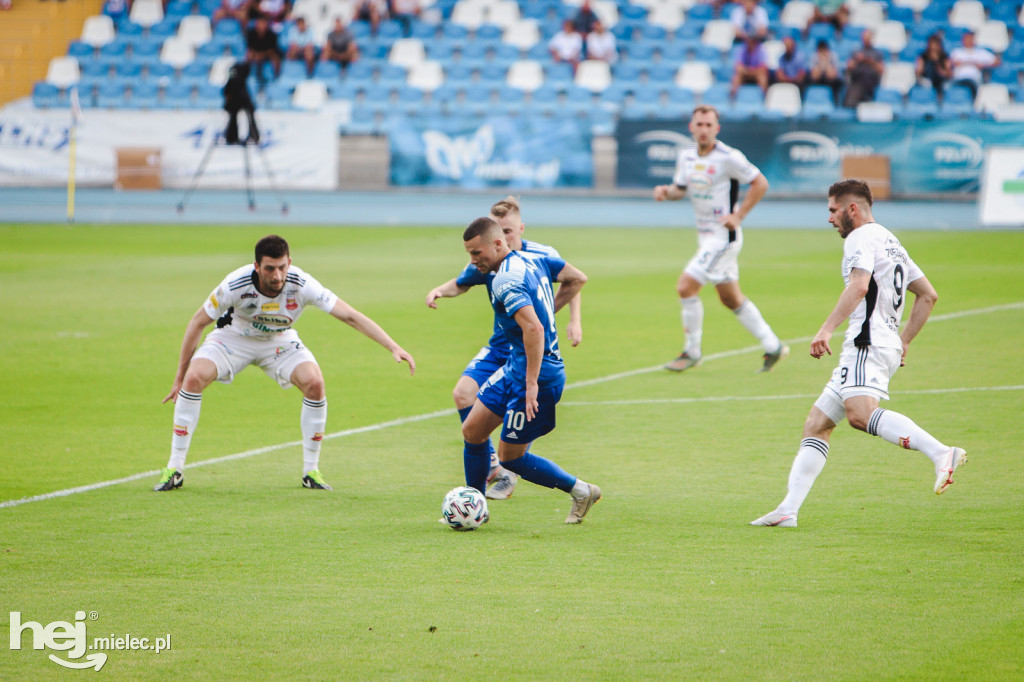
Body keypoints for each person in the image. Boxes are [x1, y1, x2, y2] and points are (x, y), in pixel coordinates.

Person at [751, 179, 966, 527]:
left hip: (865, 342)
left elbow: (860, 285)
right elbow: (928, 295)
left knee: (860, 415)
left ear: (852, 209)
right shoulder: (890, 241)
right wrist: (905, 340)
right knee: (817, 424)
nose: (830, 218)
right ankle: (788, 509)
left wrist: (825, 328)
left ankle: (942, 452)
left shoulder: (860, 237)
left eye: (833, 210)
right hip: (882, 342)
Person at [153, 235, 415, 492]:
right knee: (194, 378)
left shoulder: (302, 284)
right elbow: (197, 322)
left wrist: (393, 346)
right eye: (269, 269)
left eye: (282, 267)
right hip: (233, 337)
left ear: (289, 262)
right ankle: (174, 469)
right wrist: (179, 377)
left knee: (315, 382)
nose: (277, 276)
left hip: (279, 341)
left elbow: (350, 316)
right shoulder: (235, 284)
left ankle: (311, 471)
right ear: (257, 266)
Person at [425, 197, 582, 501]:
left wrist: (565, 318)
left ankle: (548, 479)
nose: (507, 236)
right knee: (466, 405)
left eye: (509, 231)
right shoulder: (487, 262)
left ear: (516, 230)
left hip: (530, 356)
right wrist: (440, 291)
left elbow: (573, 284)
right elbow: (464, 281)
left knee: (513, 450)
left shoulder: (535, 258)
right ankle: (482, 488)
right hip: (504, 347)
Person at [454, 217, 600, 524]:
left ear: (497, 244)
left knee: (511, 458)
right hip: (515, 366)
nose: (472, 260)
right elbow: (576, 279)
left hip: (538, 374)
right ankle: (474, 506)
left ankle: (582, 491)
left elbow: (533, 327)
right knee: (473, 430)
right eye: (469, 253)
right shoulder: (531, 259)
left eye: (476, 253)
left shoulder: (505, 280)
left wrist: (531, 382)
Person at [653, 105, 788, 373]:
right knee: (730, 298)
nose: (703, 129)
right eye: (699, 124)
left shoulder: (729, 157)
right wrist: (666, 192)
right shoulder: (686, 156)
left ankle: (692, 351)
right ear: (691, 128)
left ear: (717, 129)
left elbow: (760, 183)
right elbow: (681, 189)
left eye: (708, 125)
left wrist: (738, 215)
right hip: (705, 237)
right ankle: (773, 346)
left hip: (724, 236)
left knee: (686, 287)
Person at [949, 30, 998, 99]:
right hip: (958, 79)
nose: (969, 41)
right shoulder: (956, 52)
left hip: (974, 80)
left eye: (970, 39)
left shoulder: (981, 52)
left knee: (971, 86)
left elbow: (996, 61)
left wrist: (984, 65)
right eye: (967, 39)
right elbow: (948, 63)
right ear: (963, 40)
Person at [843, 29, 885, 108]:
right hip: (857, 80)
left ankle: (860, 100)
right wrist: (857, 60)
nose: (866, 39)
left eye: (868, 37)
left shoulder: (877, 53)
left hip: (871, 81)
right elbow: (849, 67)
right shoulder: (856, 51)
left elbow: (881, 70)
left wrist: (869, 61)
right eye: (865, 37)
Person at [246, 17, 282, 85]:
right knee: (249, 55)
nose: (262, 26)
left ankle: (277, 76)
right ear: (256, 24)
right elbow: (250, 47)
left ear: (266, 25)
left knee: (276, 59)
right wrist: (256, 54)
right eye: (260, 23)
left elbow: (272, 49)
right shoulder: (251, 33)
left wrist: (263, 55)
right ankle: (247, 74)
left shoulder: (271, 34)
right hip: (255, 53)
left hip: (268, 54)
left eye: (263, 24)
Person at [808, 39, 843, 104]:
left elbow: (831, 76)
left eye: (825, 51)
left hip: (832, 83)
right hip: (818, 82)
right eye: (821, 51)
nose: (823, 53)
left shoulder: (833, 56)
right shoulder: (814, 56)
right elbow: (814, 77)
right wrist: (821, 63)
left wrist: (826, 62)